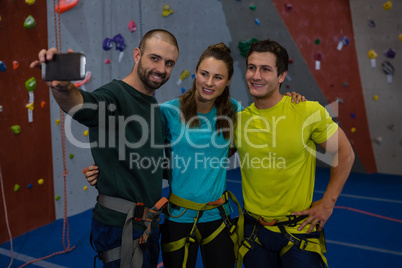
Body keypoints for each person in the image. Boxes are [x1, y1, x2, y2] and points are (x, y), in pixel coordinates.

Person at [85, 42, 305, 268]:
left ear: (228, 81)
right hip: (178, 219)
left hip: (219, 218)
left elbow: (263, 117)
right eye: (204, 74)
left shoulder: (237, 112)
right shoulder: (168, 112)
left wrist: (290, 100)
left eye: (218, 77)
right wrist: (105, 168)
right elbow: (138, 149)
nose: (209, 82)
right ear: (196, 73)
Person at [30, 29, 180, 268]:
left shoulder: (153, 106)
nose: (161, 69)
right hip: (122, 226)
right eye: (155, 58)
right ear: (137, 55)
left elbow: (149, 162)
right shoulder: (114, 96)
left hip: (147, 224)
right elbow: (83, 105)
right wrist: (61, 88)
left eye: (169, 63)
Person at [234, 39, 355, 268]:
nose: (256, 75)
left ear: (281, 76)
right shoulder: (238, 121)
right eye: (252, 67)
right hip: (254, 234)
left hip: (298, 232)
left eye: (265, 69)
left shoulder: (307, 111)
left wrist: (328, 203)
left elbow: (344, 153)